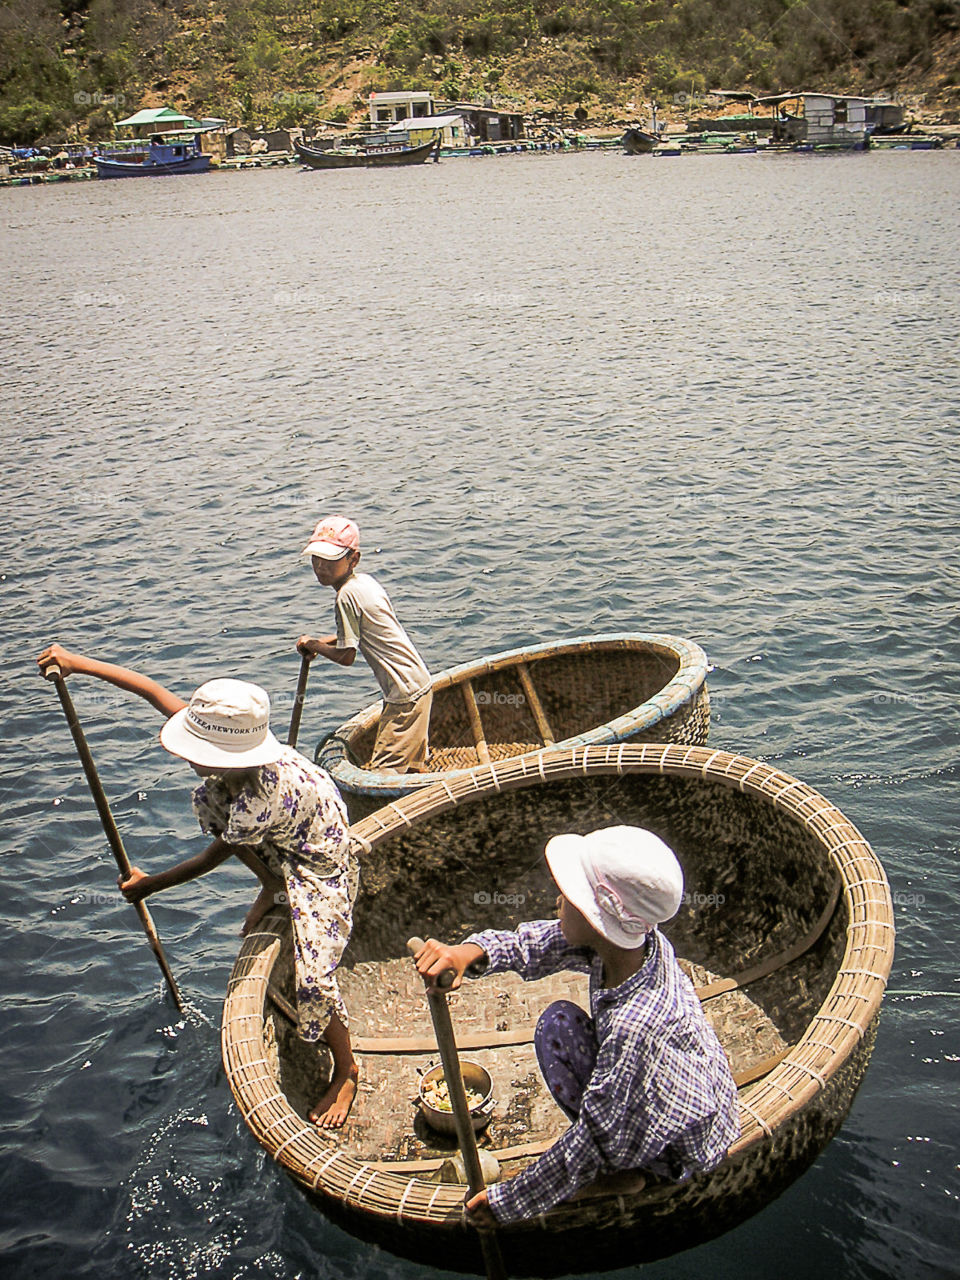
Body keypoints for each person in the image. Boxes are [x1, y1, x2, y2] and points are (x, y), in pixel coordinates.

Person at [36, 643, 359, 1128]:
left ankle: (347, 1068)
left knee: (312, 979)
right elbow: (150, 690)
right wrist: (78, 663)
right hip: (287, 836)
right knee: (209, 801)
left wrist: (148, 885)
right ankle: (272, 882)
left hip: (320, 860)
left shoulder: (258, 800)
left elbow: (211, 859)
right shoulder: (230, 762)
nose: (190, 759)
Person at [414, 825, 740, 1226]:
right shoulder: (635, 945)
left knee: (597, 1145)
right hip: (660, 1089)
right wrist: (470, 952)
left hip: (680, 1144)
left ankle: (632, 1173)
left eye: (568, 898)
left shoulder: (635, 1028)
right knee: (557, 1025)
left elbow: (591, 1142)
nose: (557, 902)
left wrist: (507, 1203)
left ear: (599, 920)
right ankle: (620, 1164)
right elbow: (538, 943)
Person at [296, 515, 433, 773]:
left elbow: (347, 656)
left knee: (384, 774)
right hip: (418, 683)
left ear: (353, 559)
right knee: (411, 768)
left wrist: (315, 646)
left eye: (330, 560)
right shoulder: (365, 583)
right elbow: (364, 630)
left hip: (404, 694)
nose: (320, 566)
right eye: (316, 559)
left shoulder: (345, 597)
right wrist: (319, 642)